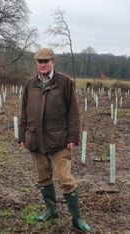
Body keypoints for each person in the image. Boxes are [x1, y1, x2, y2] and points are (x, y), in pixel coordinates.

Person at [18, 48, 91, 232]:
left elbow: (73, 111)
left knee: (65, 179)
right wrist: (22, 135)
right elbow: (24, 112)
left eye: (46, 61)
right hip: (36, 139)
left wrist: (73, 136)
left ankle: (77, 219)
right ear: (36, 63)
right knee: (43, 177)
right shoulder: (30, 84)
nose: (42, 64)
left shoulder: (64, 82)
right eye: (39, 61)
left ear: (53, 62)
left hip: (60, 140)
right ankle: (51, 210)